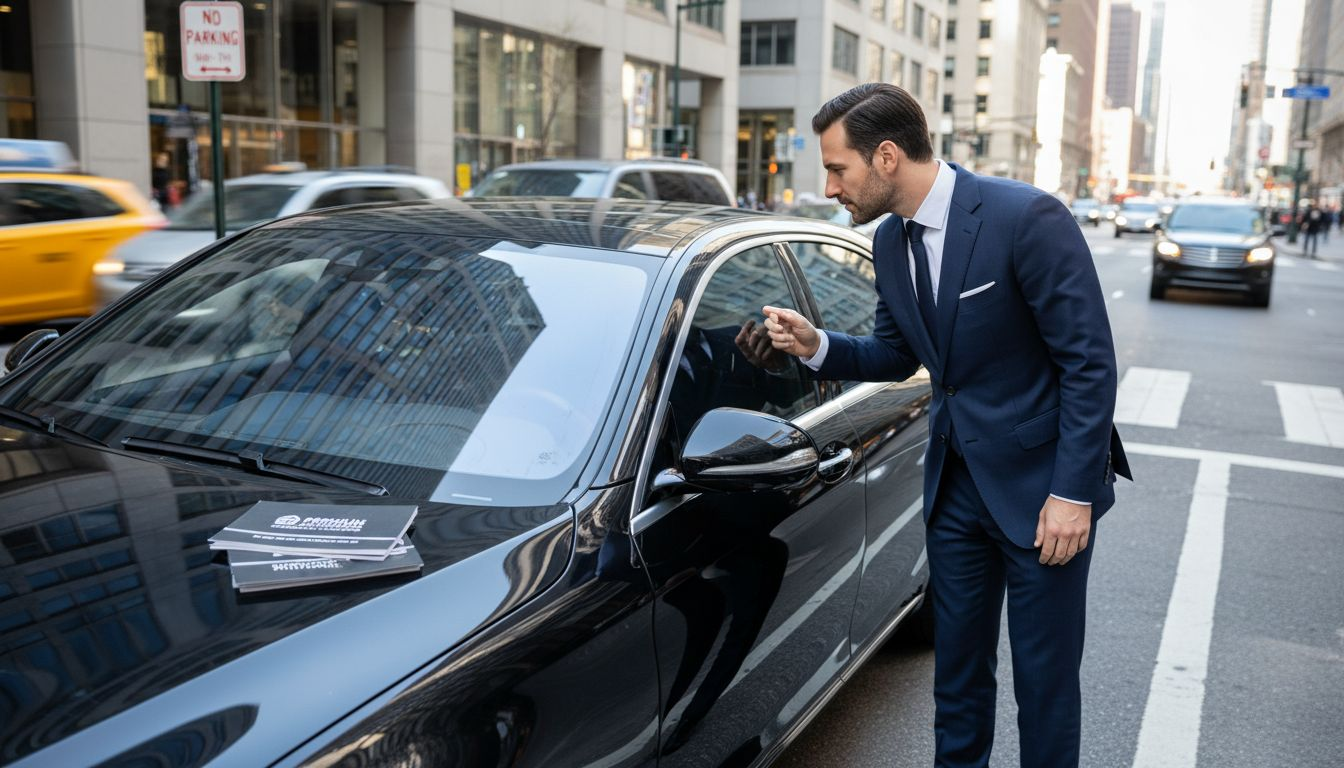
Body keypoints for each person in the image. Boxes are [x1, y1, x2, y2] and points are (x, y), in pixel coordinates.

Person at [762, 83, 1131, 768]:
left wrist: (1073, 494)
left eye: (838, 168)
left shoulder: (1026, 218)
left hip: (1042, 497)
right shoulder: (891, 242)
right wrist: (817, 344)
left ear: (888, 157)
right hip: (956, 492)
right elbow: (897, 353)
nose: (830, 186)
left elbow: (1088, 364)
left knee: (1045, 689)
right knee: (957, 681)